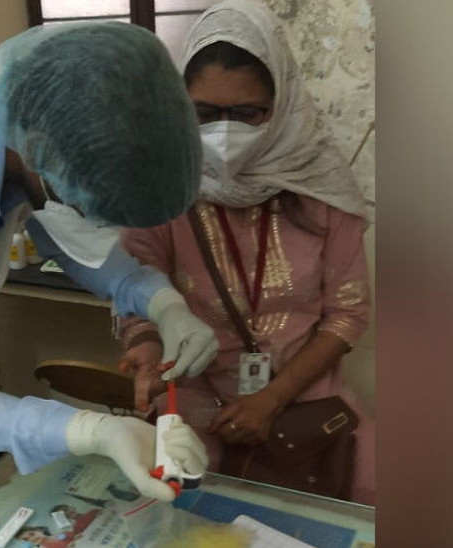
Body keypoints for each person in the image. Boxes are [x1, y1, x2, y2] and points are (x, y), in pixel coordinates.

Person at [0, 21, 214, 504]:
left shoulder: (32, 110)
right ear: (38, 154)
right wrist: (92, 430)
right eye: (89, 207)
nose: (94, 223)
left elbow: (82, 245)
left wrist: (162, 301)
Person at [116, 0, 374, 504]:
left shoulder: (322, 187)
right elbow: (135, 287)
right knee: (181, 510)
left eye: (246, 113)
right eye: (204, 114)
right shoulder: (162, 186)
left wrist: (272, 398)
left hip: (302, 397)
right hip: (192, 398)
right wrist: (145, 343)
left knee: (357, 502)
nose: (225, 132)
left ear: (281, 105)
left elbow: (347, 314)